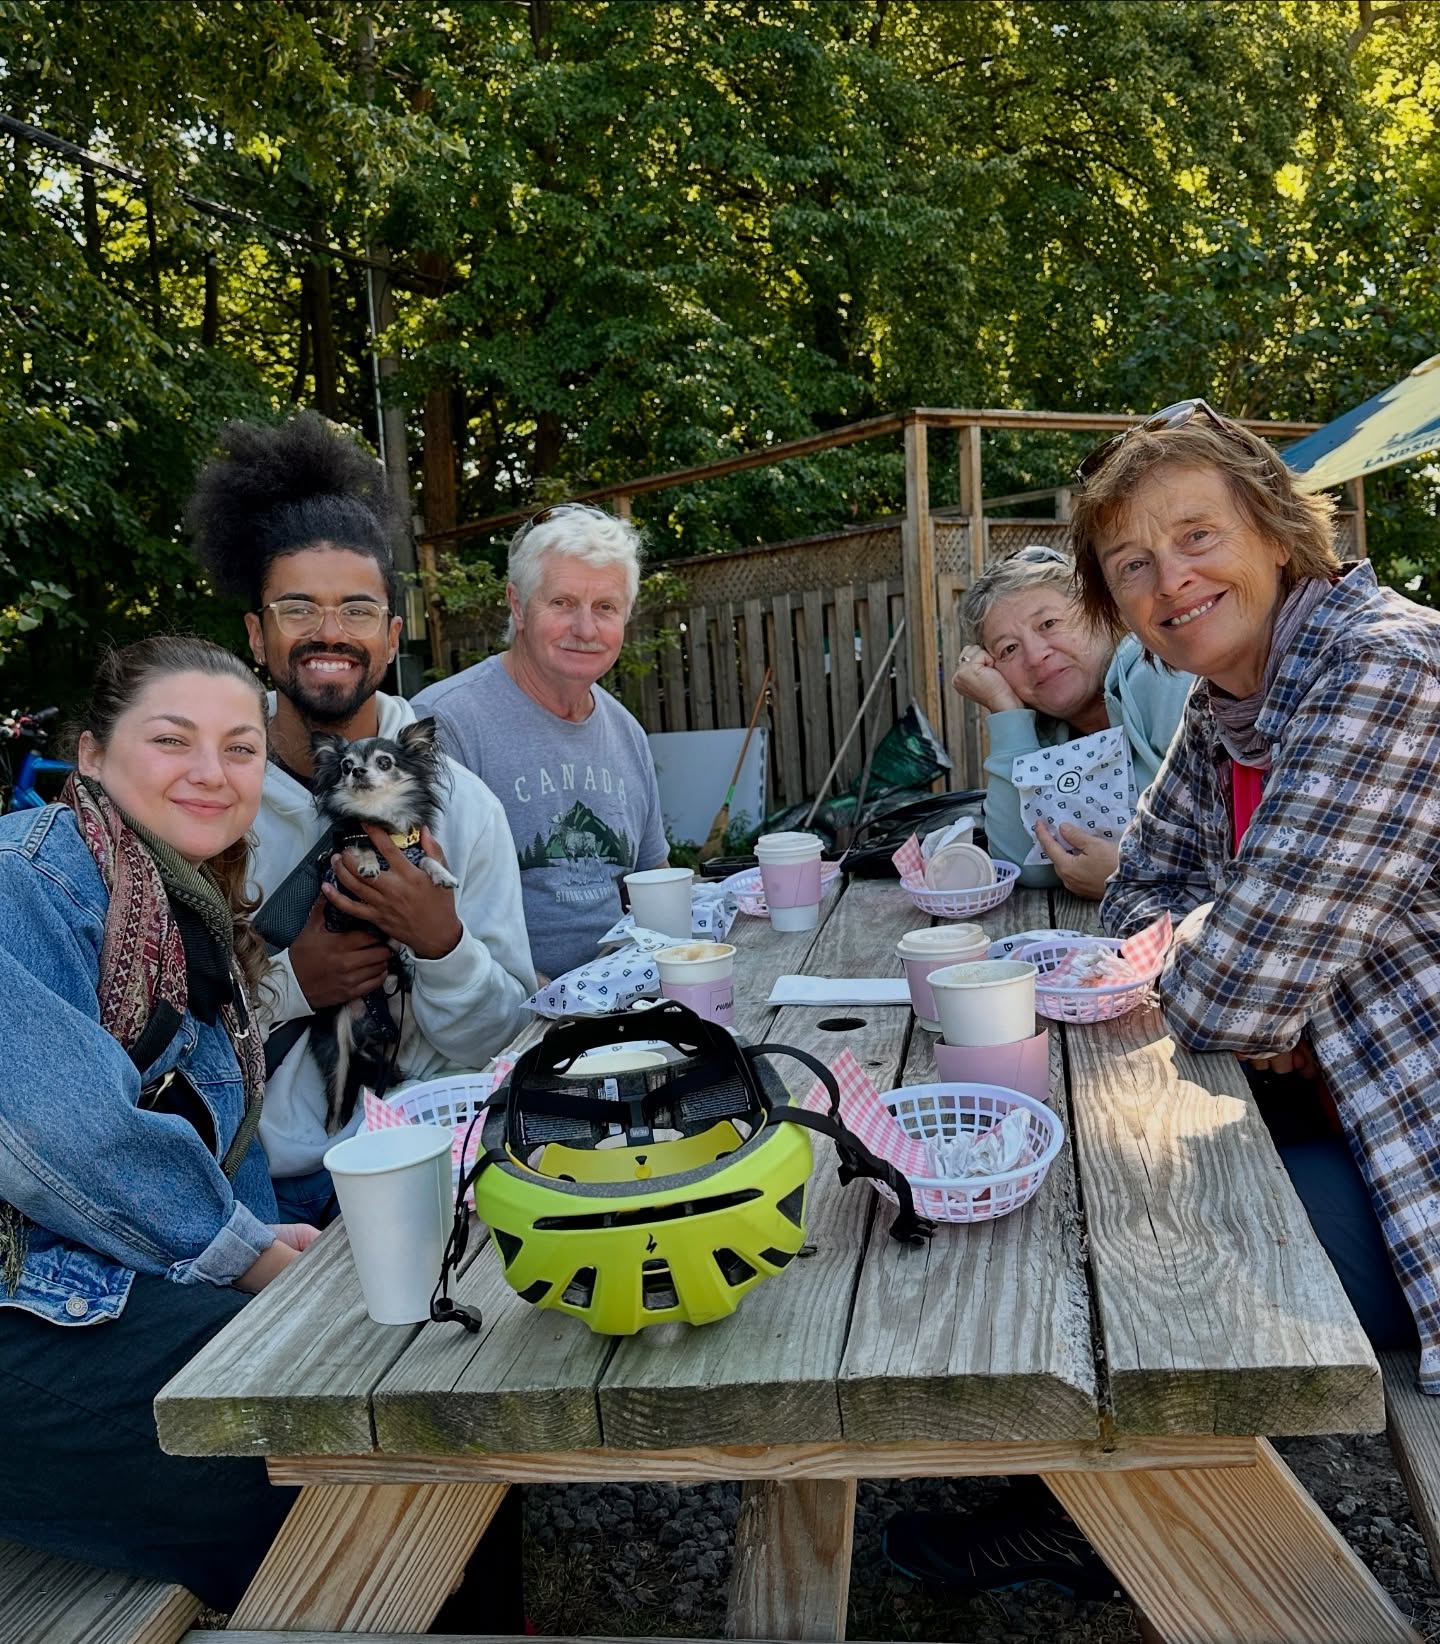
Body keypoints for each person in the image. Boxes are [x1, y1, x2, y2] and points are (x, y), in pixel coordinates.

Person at [1071, 397, 1440, 1387]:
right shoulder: (1225, 708)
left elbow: (1231, 996)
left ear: (1277, 535)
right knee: (1092, 1186)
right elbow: (1131, 907)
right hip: (1339, 1113)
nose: (1172, 579)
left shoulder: (1383, 665)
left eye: (1197, 536)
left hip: (1417, 1156)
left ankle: (1112, 1531)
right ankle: (1080, 1509)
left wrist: (1273, 994)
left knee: (1150, 1266)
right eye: (1133, 565)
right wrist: (1245, 963)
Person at [0, 636, 310, 1608]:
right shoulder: (24, 876)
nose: (212, 774)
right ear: (91, 755)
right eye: (173, 741)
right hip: (23, 1301)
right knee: (299, 1447)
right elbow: (56, 1129)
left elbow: (232, 1144)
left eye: (240, 747)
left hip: (92, 1276)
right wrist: (249, 1261)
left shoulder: (186, 908)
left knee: (376, 1374)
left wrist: (269, 1257)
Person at [186, 413, 536, 1226]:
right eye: (298, 607)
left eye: (356, 610)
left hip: (429, 1161)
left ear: (390, 636)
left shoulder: (463, 807)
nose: (329, 633)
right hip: (252, 1193)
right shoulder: (199, 803)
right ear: (256, 634)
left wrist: (442, 944)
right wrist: (291, 987)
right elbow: (140, 1039)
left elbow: (500, 1039)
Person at [412, 503, 668, 980]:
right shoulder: (443, 723)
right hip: (499, 1022)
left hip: (626, 1002)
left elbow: (654, 888)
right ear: (517, 605)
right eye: (562, 603)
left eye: (605, 608)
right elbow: (419, 915)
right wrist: (545, 1003)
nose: (586, 629)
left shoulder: (627, 733)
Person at [950, 543, 1192, 899]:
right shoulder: (1046, 738)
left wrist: (1131, 873)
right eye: (1009, 650)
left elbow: (1239, 839)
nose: (1035, 656)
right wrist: (1006, 712)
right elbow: (1025, 865)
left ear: (1097, 613)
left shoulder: (1160, 677)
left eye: (1049, 624)